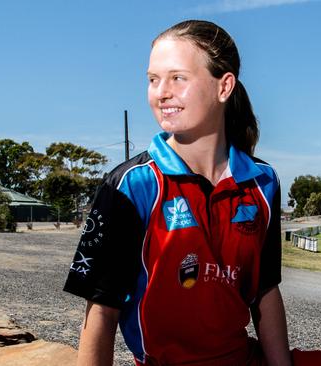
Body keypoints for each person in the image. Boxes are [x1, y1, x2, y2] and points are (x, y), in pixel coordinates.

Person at [63, 20, 292, 366]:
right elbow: (101, 311)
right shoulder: (131, 185)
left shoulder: (263, 181)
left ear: (224, 86)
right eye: (153, 79)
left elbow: (264, 292)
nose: (161, 92)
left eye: (178, 78)